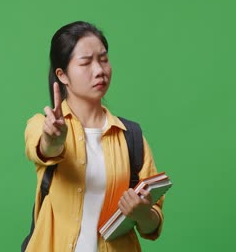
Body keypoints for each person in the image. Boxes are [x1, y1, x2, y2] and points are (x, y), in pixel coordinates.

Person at [23, 21, 165, 252]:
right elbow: (43, 149)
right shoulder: (42, 125)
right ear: (63, 75)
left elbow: (152, 225)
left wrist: (143, 214)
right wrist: (55, 140)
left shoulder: (132, 137)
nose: (99, 70)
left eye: (103, 59)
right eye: (86, 62)